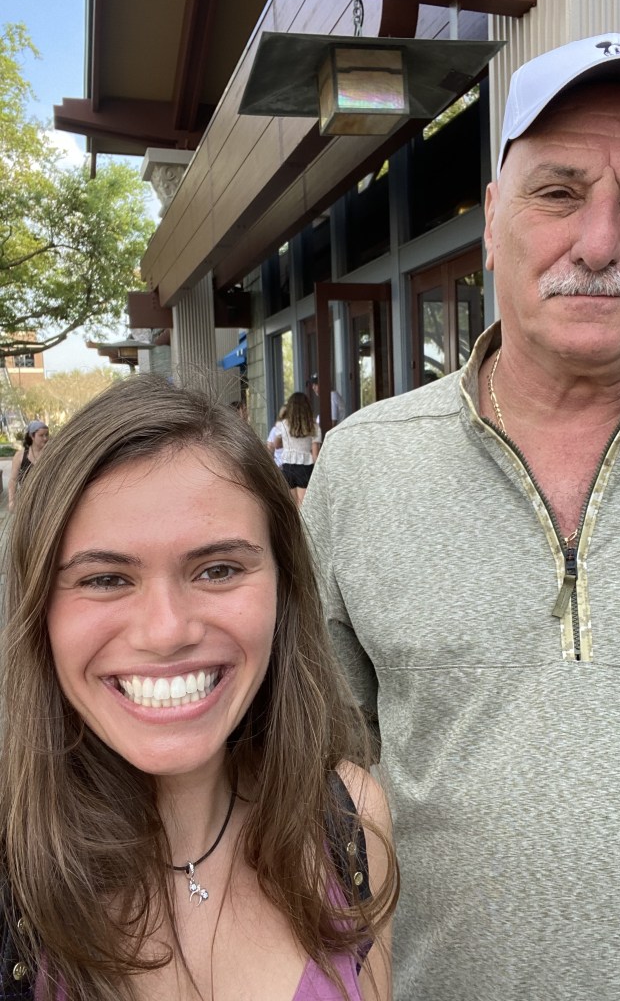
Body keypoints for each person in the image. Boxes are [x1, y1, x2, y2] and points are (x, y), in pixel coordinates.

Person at [303, 33, 620, 1000]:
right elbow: (314, 771)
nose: (599, 243)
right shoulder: (364, 467)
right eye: (558, 192)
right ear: (491, 220)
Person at [0, 376, 397, 1001]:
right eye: (105, 579)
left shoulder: (348, 819)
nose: (166, 632)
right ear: (38, 609)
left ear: (284, 590)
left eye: (218, 570)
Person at [274, 391, 322, 506]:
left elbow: (276, 444)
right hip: (305, 467)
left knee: (292, 506)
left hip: (287, 466)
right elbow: (315, 455)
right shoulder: (313, 426)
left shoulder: (283, 424)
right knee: (303, 506)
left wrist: (287, 442)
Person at [7, 419, 49, 511]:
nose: (45, 438)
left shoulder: (51, 454)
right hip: (26, 503)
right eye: (41, 435)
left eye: (47, 435)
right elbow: (13, 480)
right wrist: (11, 500)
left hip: (47, 502)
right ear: (32, 436)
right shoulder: (20, 456)